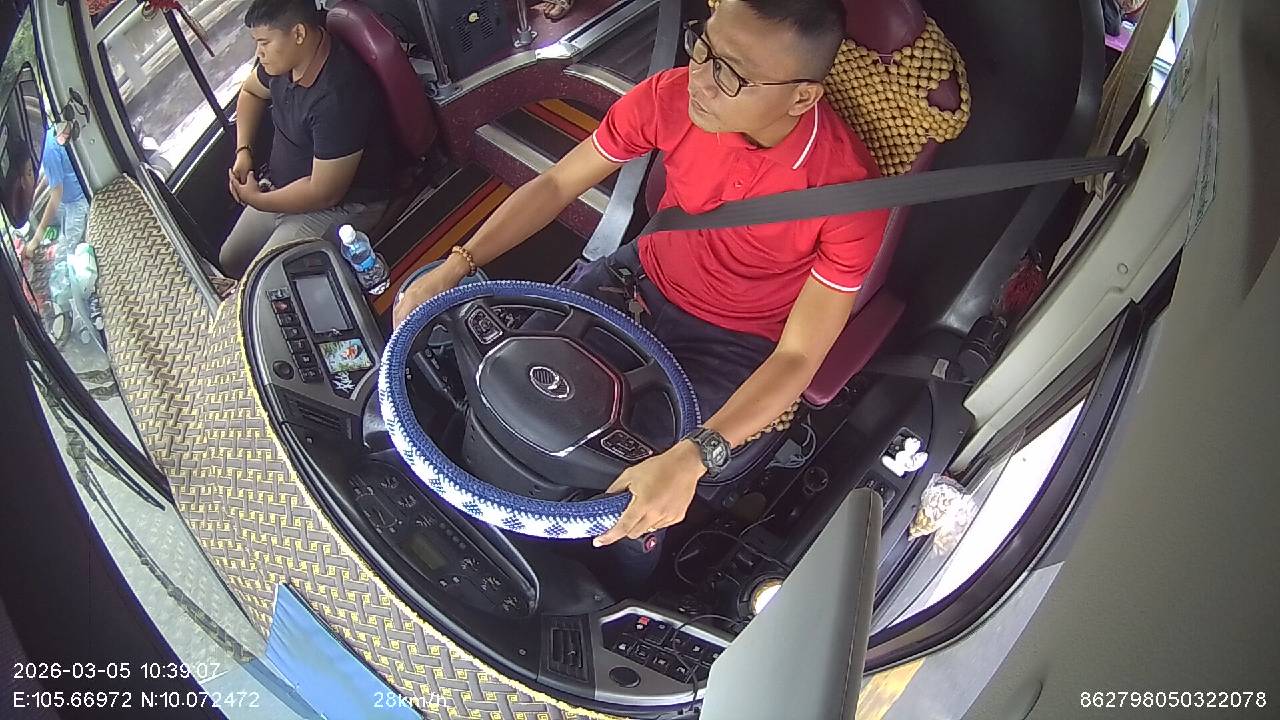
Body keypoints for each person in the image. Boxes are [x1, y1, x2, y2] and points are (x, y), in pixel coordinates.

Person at [394, 0, 887, 578]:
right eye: (703, 47)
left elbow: (799, 356)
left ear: (802, 97)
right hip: (638, 280)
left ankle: (603, 581)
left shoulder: (848, 195)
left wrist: (693, 457)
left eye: (732, 73)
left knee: (636, 493)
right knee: (507, 384)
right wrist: (458, 263)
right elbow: (556, 184)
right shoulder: (671, 96)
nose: (702, 79)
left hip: (733, 343)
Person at [220, 0, 395, 279]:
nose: (259, 53)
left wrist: (258, 200)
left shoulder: (337, 95)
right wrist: (244, 151)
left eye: (264, 42)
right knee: (230, 260)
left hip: (340, 206)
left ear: (298, 34)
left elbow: (324, 192)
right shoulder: (282, 63)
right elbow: (250, 92)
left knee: (263, 280)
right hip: (281, 186)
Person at [26, 120, 88, 259]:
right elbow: (52, 175)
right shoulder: (49, 136)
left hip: (77, 202)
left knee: (64, 257)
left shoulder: (48, 149)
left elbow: (56, 195)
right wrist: (33, 197)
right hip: (67, 200)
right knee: (58, 230)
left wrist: (35, 241)